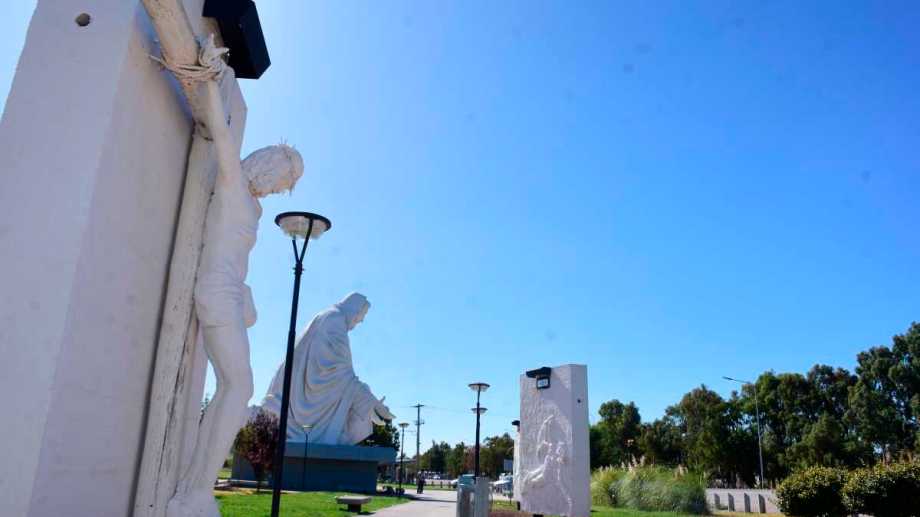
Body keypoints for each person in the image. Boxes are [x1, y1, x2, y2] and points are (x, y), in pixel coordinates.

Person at [168, 143, 304, 517]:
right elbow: (219, 129)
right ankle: (196, 491)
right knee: (238, 386)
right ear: (267, 165)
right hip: (216, 290)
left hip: (229, 292)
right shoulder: (231, 180)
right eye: (279, 181)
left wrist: (245, 295)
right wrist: (208, 95)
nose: (274, 190)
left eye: (282, 188)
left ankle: (196, 487)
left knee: (234, 387)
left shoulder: (250, 203)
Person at [262, 293, 395, 444]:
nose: (361, 321)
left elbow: (337, 373)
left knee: (361, 391)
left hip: (302, 393)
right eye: (362, 315)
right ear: (354, 310)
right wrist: (369, 401)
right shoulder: (335, 321)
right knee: (360, 392)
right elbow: (337, 374)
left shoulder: (329, 317)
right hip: (304, 402)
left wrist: (367, 399)